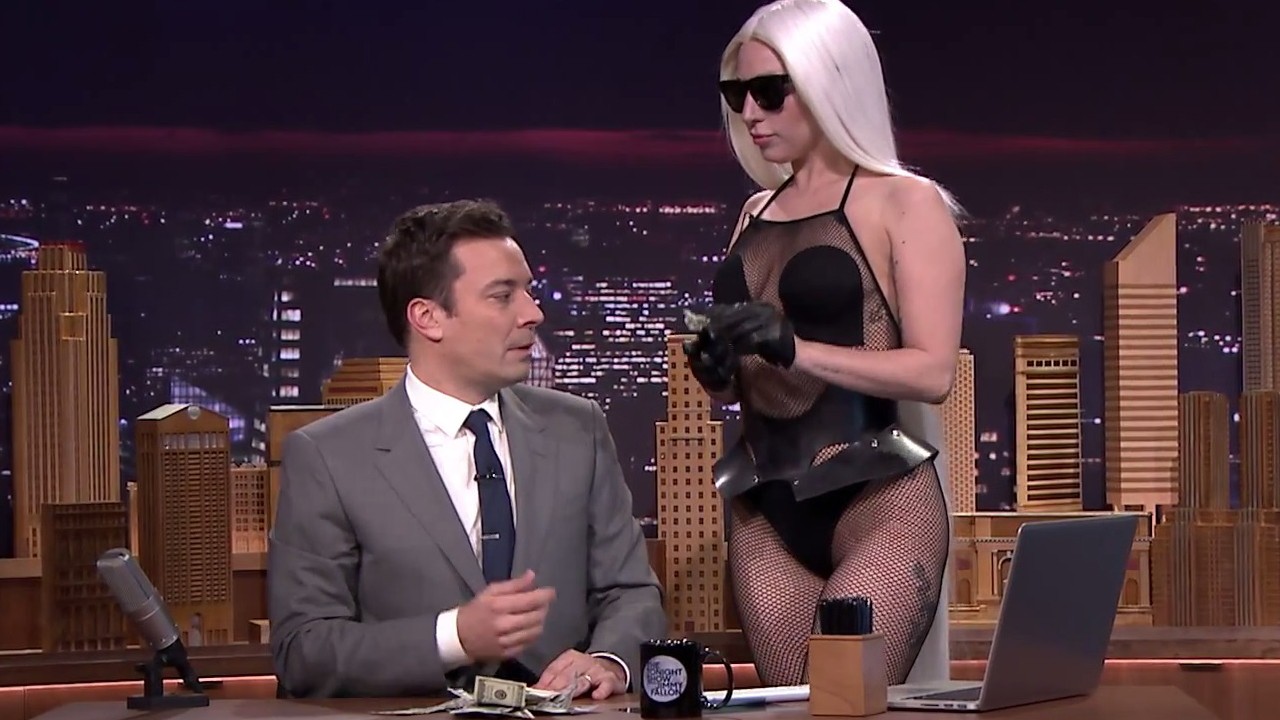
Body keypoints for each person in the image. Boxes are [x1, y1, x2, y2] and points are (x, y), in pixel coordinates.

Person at [269, 199, 666, 699]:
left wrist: (609, 660)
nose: (533, 313)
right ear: (429, 317)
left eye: (529, 291)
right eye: (503, 296)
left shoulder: (577, 429)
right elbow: (304, 650)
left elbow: (631, 592)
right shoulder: (329, 457)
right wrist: (454, 638)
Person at [684, 0, 966, 688]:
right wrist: (719, 371)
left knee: (845, 700)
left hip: (877, 496)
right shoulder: (754, 212)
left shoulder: (905, 202)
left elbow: (932, 372)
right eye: (737, 95)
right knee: (792, 707)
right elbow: (753, 378)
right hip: (764, 505)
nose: (751, 113)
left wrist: (796, 348)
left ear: (829, 83)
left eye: (769, 91)